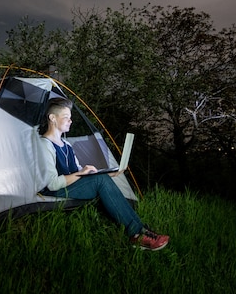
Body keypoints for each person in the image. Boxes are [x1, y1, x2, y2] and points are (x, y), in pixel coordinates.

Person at [37, 97, 169, 251]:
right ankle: (137, 235)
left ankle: (142, 231)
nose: (70, 121)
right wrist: (83, 174)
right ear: (52, 118)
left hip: (72, 185)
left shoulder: (66, 144)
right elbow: (52, 184)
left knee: (101, 177)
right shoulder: (44, 144)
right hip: (56, 190)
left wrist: (108, 174)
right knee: (99, 180)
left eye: (71, 117)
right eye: (66, 117)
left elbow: (79, 171)